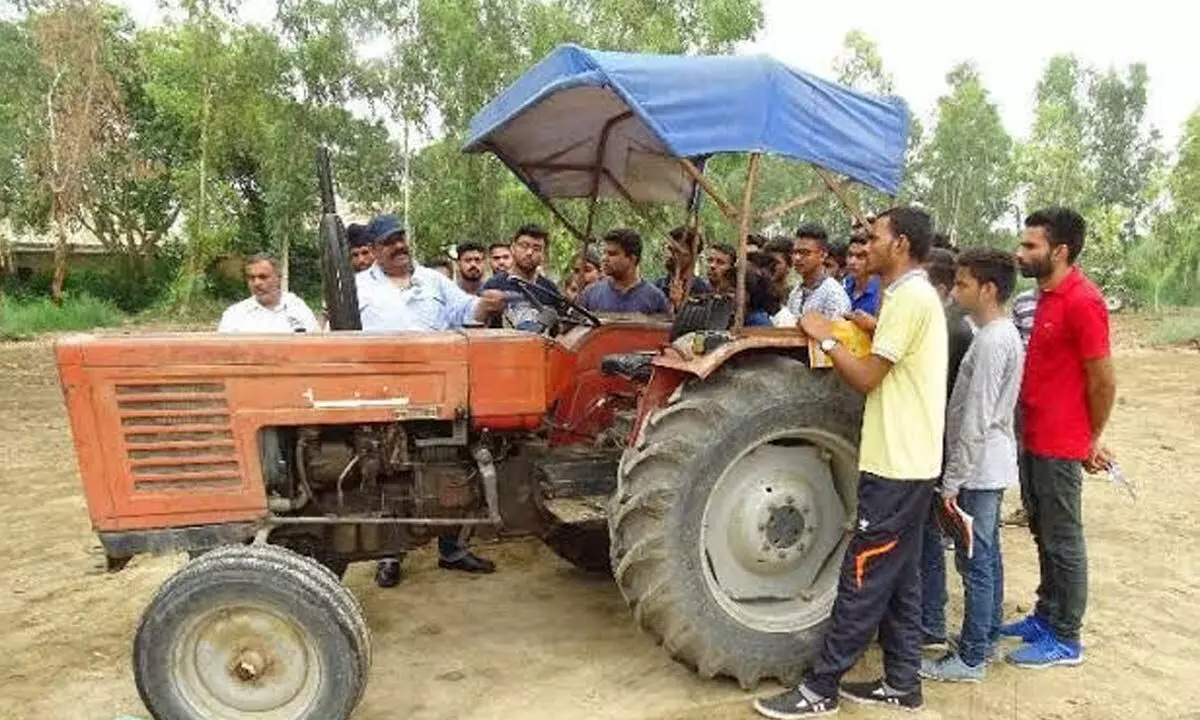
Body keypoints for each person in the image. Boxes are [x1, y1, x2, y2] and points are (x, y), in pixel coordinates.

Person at [755, 206, 946, 717]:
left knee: (862, 576)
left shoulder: (909, 296)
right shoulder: (910, 297)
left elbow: (865, 378)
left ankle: (820, 689)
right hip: (911, 460)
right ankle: (904, 683)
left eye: (875, 236)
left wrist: (825, 334)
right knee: (900, 577)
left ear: (900, 243)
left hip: (898, 463)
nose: (866, 244)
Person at [355, 214, 505, 586]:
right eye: (389, 242)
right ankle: (389, 555)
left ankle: (451, 550)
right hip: (381, 395)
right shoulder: (357, 287)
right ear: (374, 250)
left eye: (401, 238)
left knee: (452, 464)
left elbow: (465, 311)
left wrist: (486, 305)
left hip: (440, 391)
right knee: (389, 472)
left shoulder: (434, 280)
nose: (399, 246)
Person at [998, 207, 1116, 668]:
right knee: (1041, 527)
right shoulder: (1045, 296)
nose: (1020, 252)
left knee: (1064, 537)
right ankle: (1046, 614)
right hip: (1032, 434)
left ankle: (1066, 636)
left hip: (1062, 441)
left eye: (1030, 246)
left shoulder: (1083, 301)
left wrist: (1092, 437)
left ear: (1060, 251)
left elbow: (1103, 379)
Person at [920, 248, 1025, 683]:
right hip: (985, 464)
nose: (955, 290)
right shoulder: (994, 334)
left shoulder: (993, 340)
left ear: (989, 289)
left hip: (978, 468)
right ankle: (987, 638)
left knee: (974, 562)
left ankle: (972, 657)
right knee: (987, 558)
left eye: (963, 284)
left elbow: (975, 416)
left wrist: (952, 481)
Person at [918, 245, 977, 651]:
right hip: (936, 438)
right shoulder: (948, 322)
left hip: (936, 441)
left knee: (928, 535)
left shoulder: (950, 327)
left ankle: (932, 620)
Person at [217, 253, 319, 334]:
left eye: (263, 277)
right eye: (251, 278)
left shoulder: (298, 309)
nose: (257, 283)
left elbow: (316, 347)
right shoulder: (234, 315)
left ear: (278, 278)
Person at [481, 224, 558, 329]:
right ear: (513, 248)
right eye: (524, 246)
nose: (529, 252)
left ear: (543, 254)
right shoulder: (493, 285)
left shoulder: (550, 289)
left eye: (537, 248)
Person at [578, 228, 669, 314]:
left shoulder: (655, 298)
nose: (604, 259)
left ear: (632, 258)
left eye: (612, 254)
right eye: (604, 253)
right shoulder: (590, 294)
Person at [785, 222, 851, 319]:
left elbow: (837, 332)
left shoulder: (833, 295)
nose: (797, 258)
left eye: (805, 253)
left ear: (823, 255)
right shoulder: (795, 293)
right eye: (795, 252)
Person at [653, 226, 712, 307]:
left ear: (693, 255)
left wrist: (678, 304)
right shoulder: (657, 287)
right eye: (668, 249)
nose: (669, 255)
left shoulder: (704, 292)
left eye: (676, 251)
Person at [843, 235, 882, 317]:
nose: (852, 262)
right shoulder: (844, 284)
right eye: (850, 255)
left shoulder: (881, 292)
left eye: (860, 257)